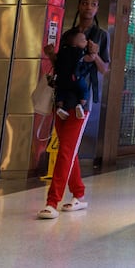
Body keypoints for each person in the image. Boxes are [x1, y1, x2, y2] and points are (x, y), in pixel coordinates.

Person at [39, 24, 102, 219]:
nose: (88, 7)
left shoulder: (100, 37)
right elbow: (60, 68)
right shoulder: (68, 45)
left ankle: (52, 201)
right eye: (85, 3)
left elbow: (104, 67)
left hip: (80, 108)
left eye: (92, 4)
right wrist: (51, 55)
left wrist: (95, 53)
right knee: (68, 150)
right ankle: (79, 194)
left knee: (66, 150)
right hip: (61, 105)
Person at [52, 30, 95, 120]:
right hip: (76, 78)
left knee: (61, 92)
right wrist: (93, 52)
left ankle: (60, 108)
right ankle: (80, 105)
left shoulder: (62, 51)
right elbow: (90, 58)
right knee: (84, 90)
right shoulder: (80, 52)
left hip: (62, 80)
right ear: (76, 43)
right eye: (84, 41)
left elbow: (56, 61)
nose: (86, 42)